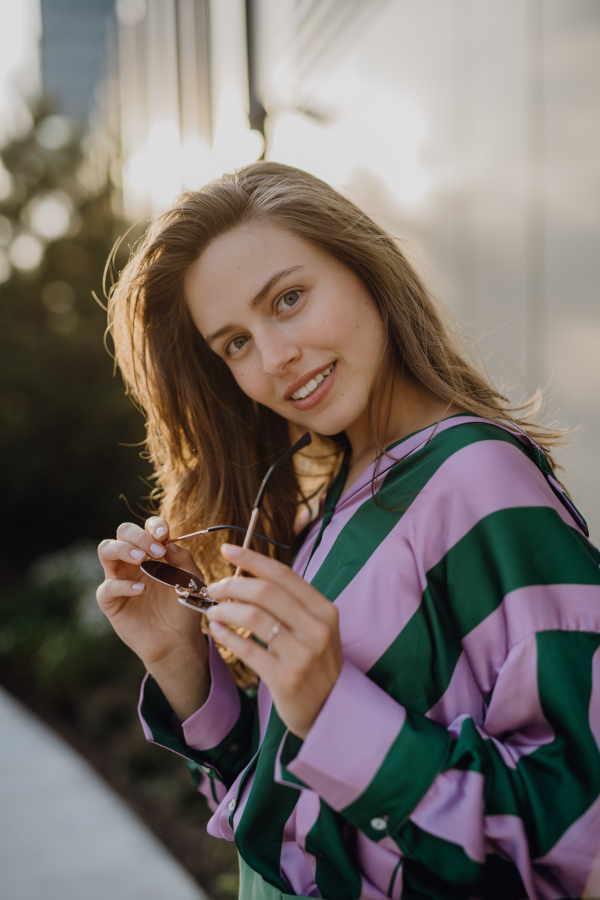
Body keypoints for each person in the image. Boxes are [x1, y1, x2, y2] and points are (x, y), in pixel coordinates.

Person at [96, 162, 600, 900]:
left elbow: (579, 833)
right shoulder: (330, 505)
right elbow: (288, 821)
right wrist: (181, 664)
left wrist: (337, 712)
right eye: (234, 343)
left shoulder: (479, 483)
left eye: (289, 299)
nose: (273, 359)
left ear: (365, 268)